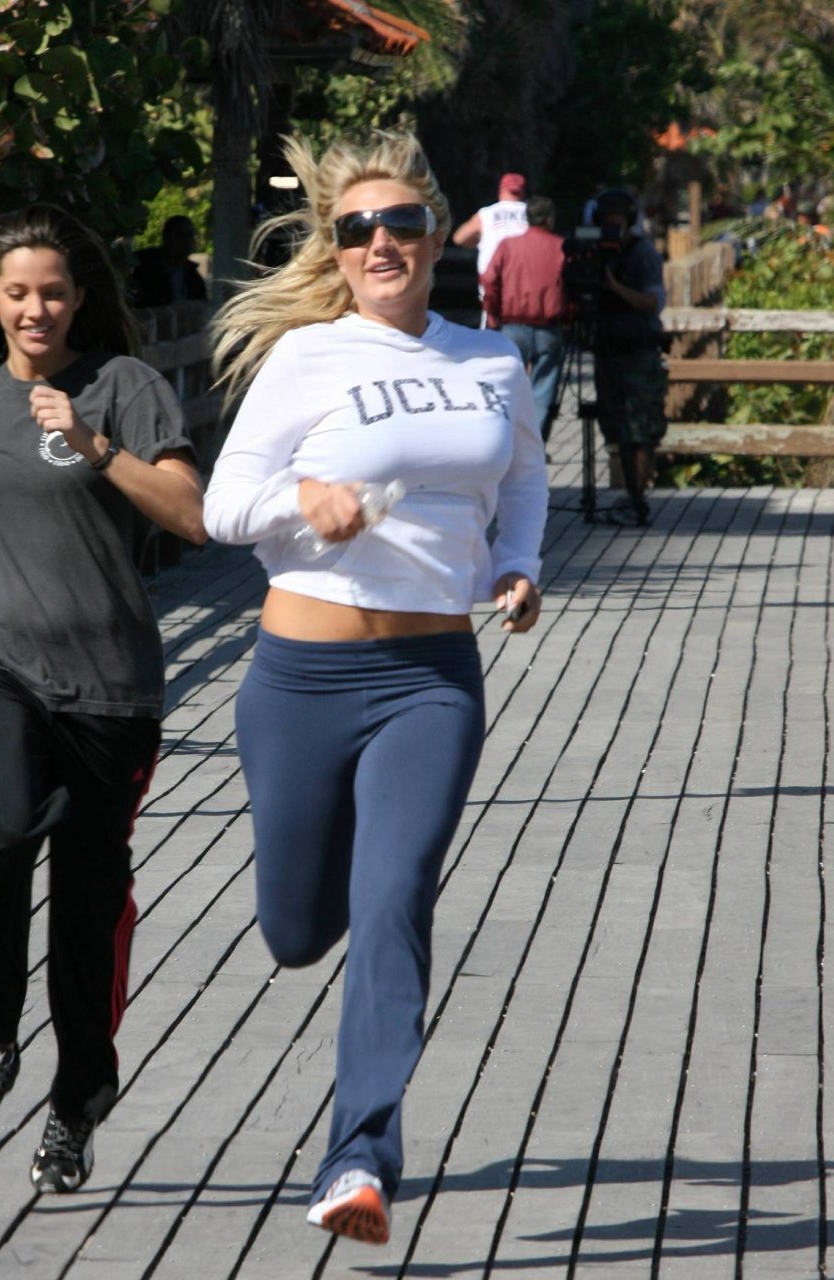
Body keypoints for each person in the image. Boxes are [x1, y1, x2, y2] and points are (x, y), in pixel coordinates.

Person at [204, 132, 548, 1246]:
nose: (382, 242)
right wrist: (305, 499)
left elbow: (525, 478)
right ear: (337, 249)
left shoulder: (490, 362)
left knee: (395, 895)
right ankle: (318, 916)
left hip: (431, 680)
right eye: (359, 229)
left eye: (402, 223)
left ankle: (360, 1156)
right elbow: (222, 507)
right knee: (297, 929)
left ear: (437, 236)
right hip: (299, 680)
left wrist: (518, 563)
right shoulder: (306, 358)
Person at [0, 204, 207, 1194]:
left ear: (79, 300)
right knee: (1, 821)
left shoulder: (123, 386)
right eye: (18, 293)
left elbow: (191, 516)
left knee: (88, 897)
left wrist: (92, 444)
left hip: (111, 682)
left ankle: (78, 1097)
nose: (36, 308)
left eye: (54, 292)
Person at [591, 188, 669, 511]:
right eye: (606, 223)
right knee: (614, 423)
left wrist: (615, 287)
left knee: (642, 428)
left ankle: (637, 497)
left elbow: (653, 302)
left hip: (638, 349)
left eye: (617, 223)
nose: (611, 229)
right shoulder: (595, 251)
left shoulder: (643, 254)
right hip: (606, 348)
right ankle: (628, 494)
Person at [480, 195, 567, 444]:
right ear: (549, 219)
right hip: (549, 328)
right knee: (542, 393)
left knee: (506, 388)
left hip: (512, 326)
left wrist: (493, 313)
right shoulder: (561, 247)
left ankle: (504, 441)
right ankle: (532, 446)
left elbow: (489, 279)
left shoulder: (508, 246)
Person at [451, 172, 529, 310]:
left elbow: (459, 237)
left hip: (493, 288)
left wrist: (482, 243)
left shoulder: (486, 214)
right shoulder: (532, 214)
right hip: (525, 288)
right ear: (522, 192)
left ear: (501, 190)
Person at [131, 214, 208, 306]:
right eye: (179, 235)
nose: (186, 241)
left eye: (190, 236)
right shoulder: (145, 265)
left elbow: (202, 306)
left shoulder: (193, 277)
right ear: (166, 237)